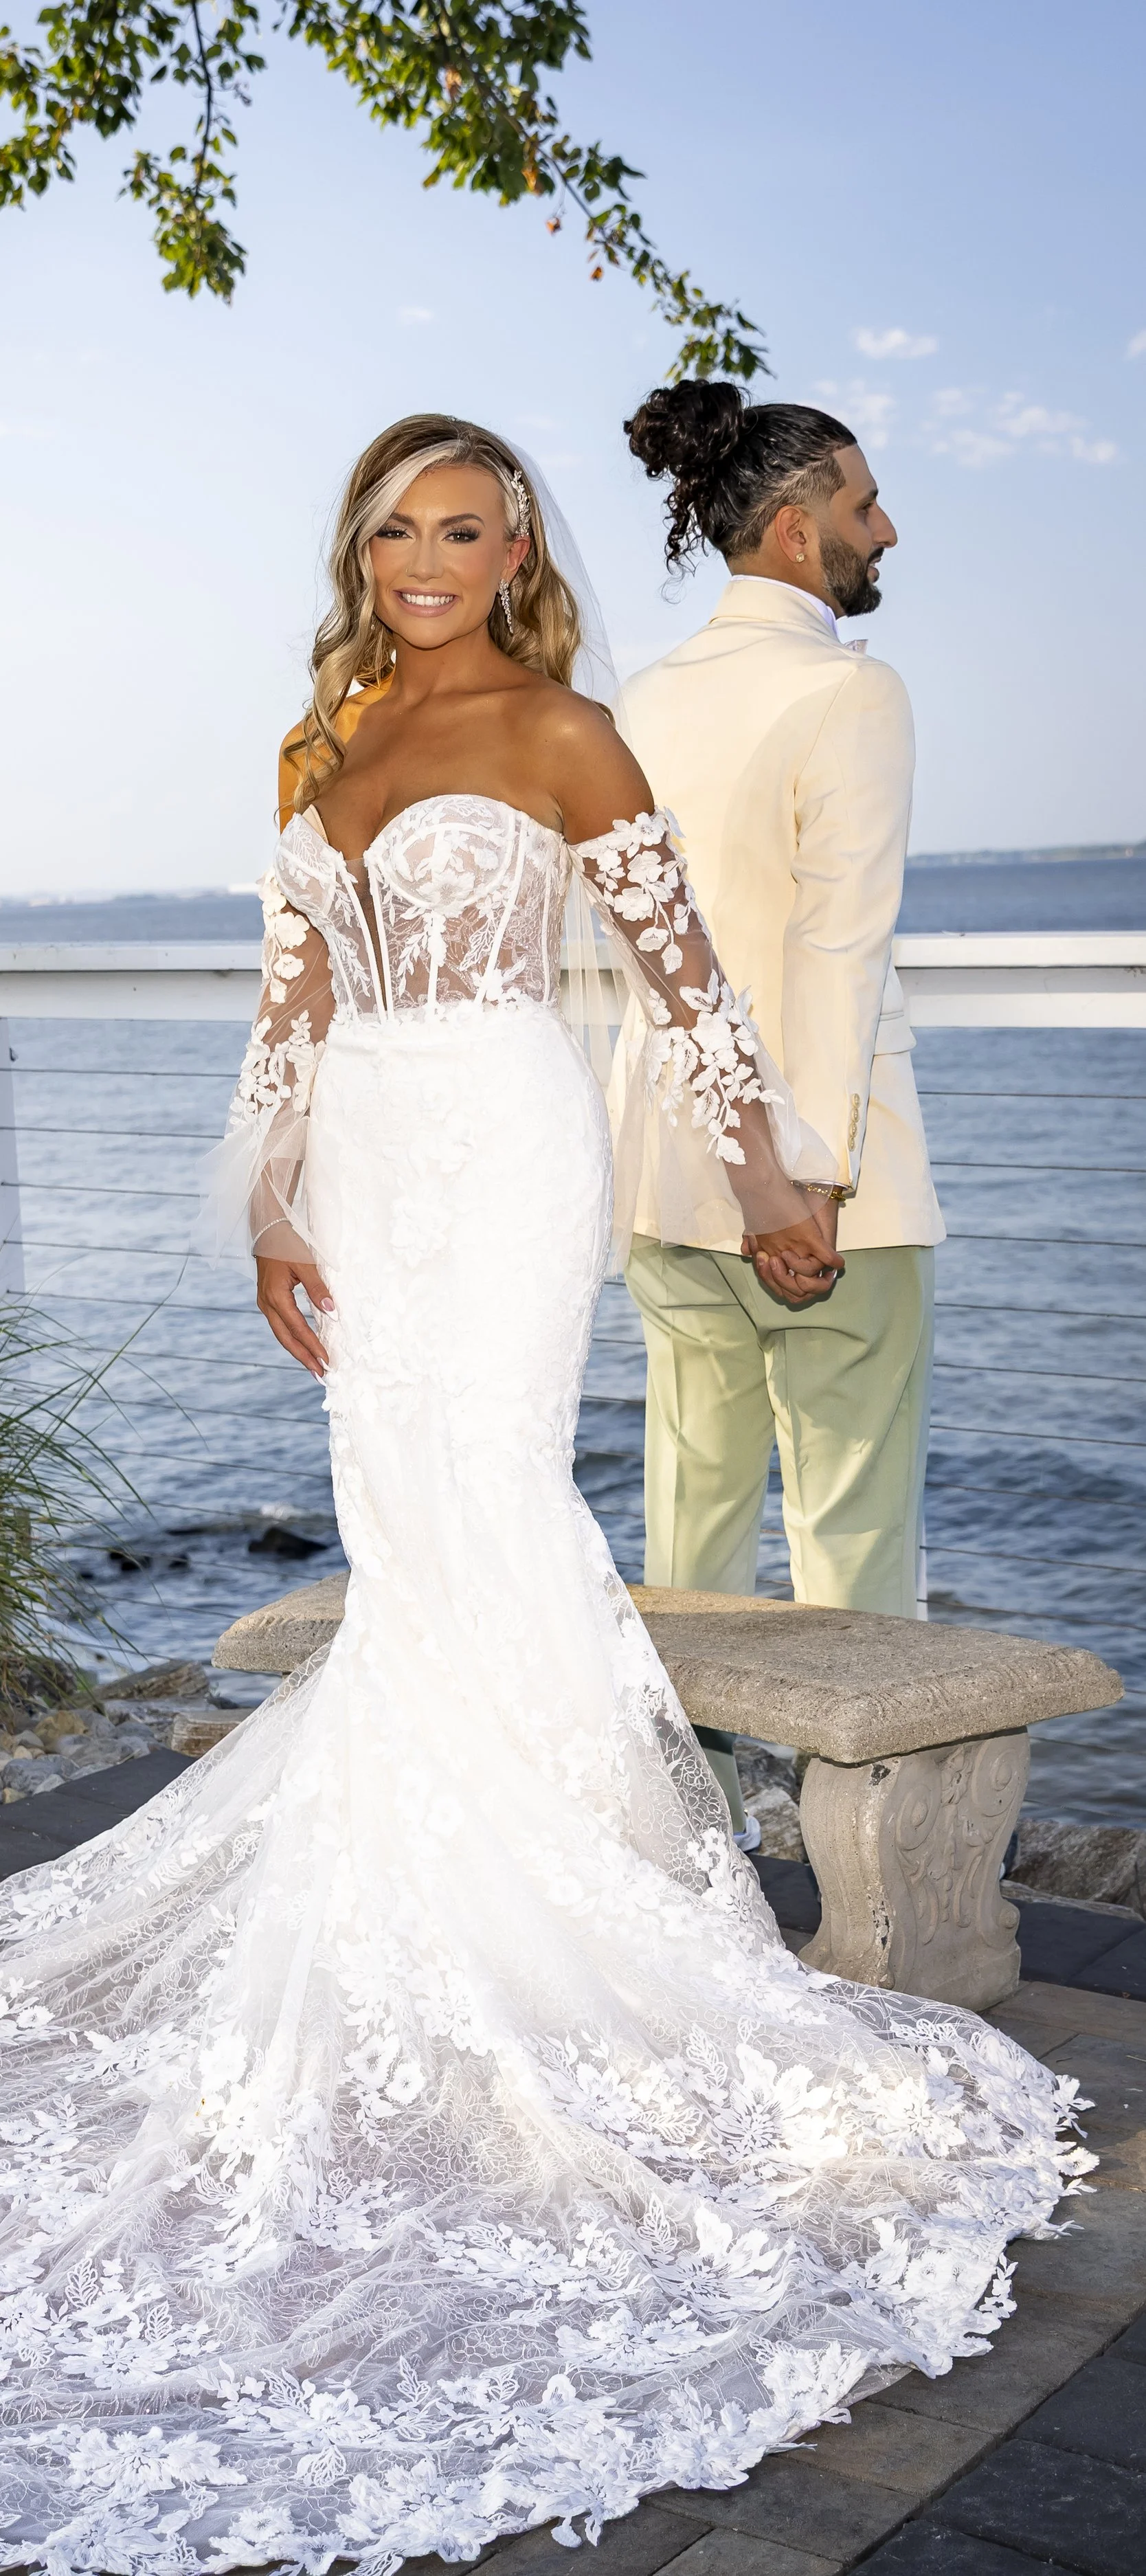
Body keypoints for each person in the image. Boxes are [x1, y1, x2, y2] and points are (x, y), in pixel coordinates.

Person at [0, 416, 1081, 2576]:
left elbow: (686, 989)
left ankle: (548, 1927)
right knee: (406, 1527)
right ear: (360, 550)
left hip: (503, 1147)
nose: (427, 558)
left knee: (487, 1493)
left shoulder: (572, 730)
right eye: (396, 526)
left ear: (516, 555)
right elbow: (288, 998)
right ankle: (455, 1893)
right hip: (369, 1172)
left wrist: (774, 1175)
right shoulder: (322, 736)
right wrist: (269, 1197)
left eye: (467, 528)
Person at [616, 381, 945, 1840]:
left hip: (665, 1178)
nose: (886, 530)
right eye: (865, 505)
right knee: (851, 1530)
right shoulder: (846, 690)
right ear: (801, 532)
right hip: (820, 1193)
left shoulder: (639, 699)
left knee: (688, 1520)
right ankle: (864, 1840)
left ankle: (681, 1825)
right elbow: (834, 955)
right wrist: (805, 1182)